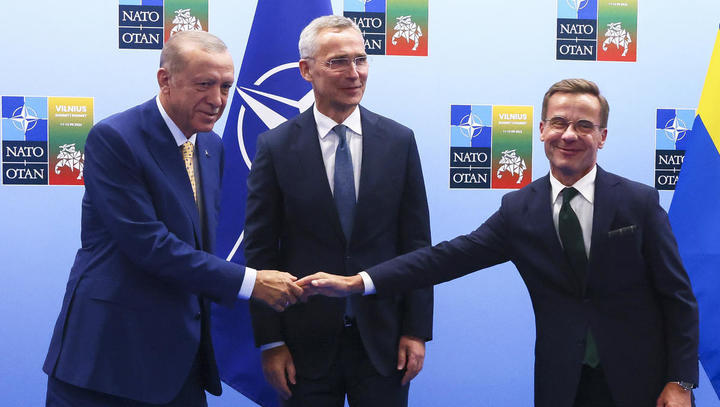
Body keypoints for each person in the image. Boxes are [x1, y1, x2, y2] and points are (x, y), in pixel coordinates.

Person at [300, 79, 700, 407]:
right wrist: (359, 282)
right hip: (562, 385)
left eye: (584, 126)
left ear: (602, 136)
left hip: (646, 386)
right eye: (558, 122)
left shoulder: (638, 202)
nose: (569, 134)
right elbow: (445, 259)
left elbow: (678, 298)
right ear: (541, 130)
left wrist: (680, 381)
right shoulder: (519, 210)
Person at [43, 31, 302, 407]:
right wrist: (251, 283)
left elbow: (197, 244)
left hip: (180, 364)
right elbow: (149, 246)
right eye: (204, 84)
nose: (218, 100)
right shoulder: (115, 138)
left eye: (226, 87)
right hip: (108, 363)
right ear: (165, 80)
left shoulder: (211, 145)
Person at [244, 15, 433, 407]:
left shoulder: (399, 141)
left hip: (384, 343)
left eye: (360, 59)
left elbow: (417, 245)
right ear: (306, 70)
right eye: (338, 62)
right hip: (303, 347)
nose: (354, 73)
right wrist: (271, 341)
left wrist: (416, 330)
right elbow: (261, 252)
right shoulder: (275, 147)